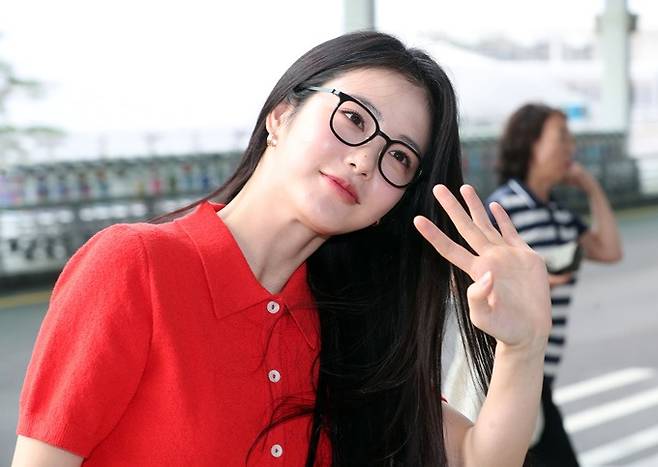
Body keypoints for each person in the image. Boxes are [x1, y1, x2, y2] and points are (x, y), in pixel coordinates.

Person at [11, 32, 552, 467]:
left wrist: (524, 345)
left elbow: (476, 458)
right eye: (354, 119)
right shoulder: (134, 265)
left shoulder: (352, 326)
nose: (365, 161)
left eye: (400, 157)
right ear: (280, 116)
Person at [485, 103, 623, 466]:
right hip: (506, 373)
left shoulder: (560, 215)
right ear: (531, 143)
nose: (570, 148)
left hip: (540, 375)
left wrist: (591, 187)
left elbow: (610, 250)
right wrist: (528, 286)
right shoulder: (502, 210)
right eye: (561, 137)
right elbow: (474, 284)